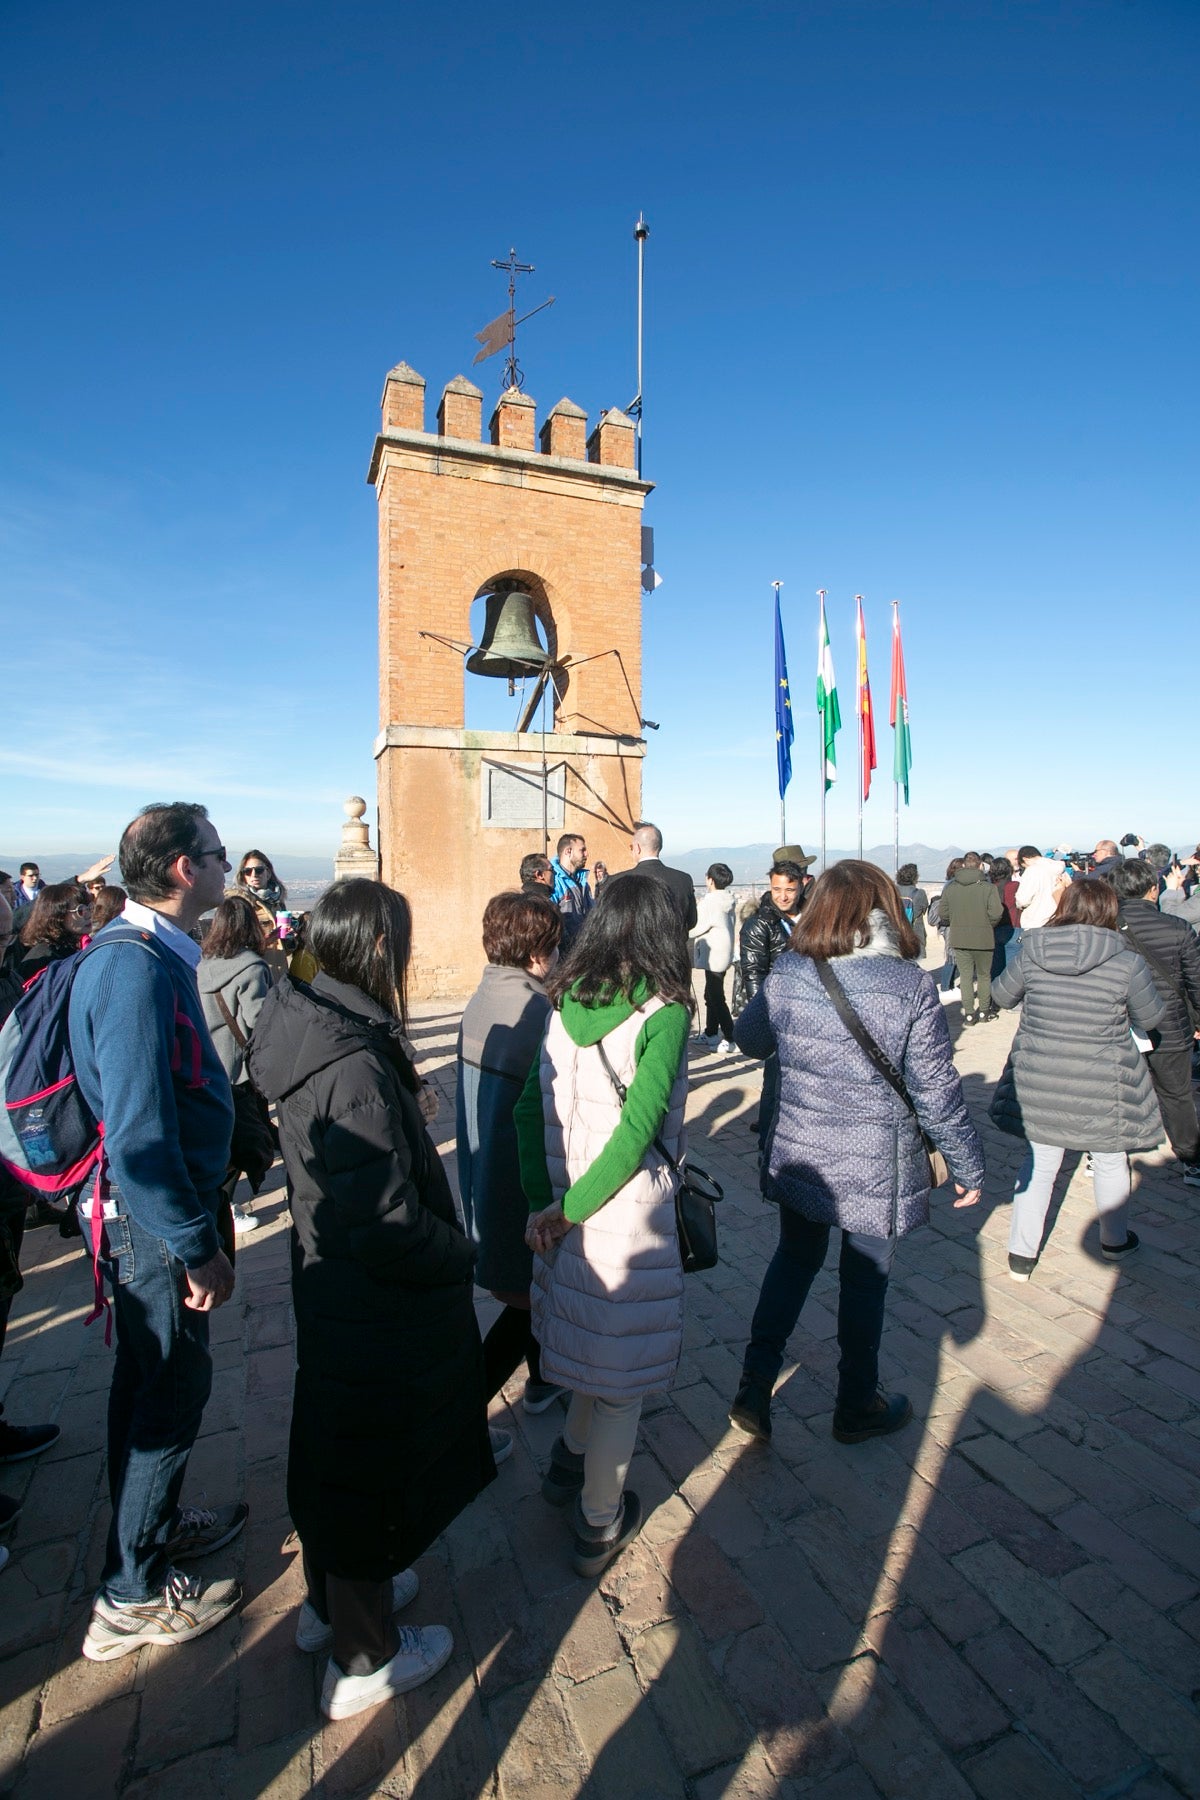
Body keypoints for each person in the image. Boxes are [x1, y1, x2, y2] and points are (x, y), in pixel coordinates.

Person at [247, 878, 492, 1720]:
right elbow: (386, 1219)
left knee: (338, 1446)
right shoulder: (347, 1062)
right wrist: (460, 1252)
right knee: (365, 1461)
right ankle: (365, 1653)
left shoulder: (316, 1015)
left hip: (336, 1280)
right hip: (369, 1290)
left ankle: (336, 1600)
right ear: (379, 949)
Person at [68, 803, 243, 1661]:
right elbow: (139, 1133)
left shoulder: (135, 957)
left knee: (145, 1386)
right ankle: (129, 1597)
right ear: (183, 870)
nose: (226, 867)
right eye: (216, 854)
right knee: (171, 1395)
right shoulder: (134, 972)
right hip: (154, 1226)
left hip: (150, 1219)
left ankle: (152, 1528)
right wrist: (193, 1241)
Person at [728, 861, 983, 1445]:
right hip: (876, 1159)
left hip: (804, 1150)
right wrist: (967, 1164)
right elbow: (936, 1090)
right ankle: (854, 1402)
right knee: (864, 1280)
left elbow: (749, 1039)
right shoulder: (910, 986)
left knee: (793, 1261)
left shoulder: (791, 971)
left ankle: (753, 1385)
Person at [516, 878, 691, 1578]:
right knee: (620, 1383)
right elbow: (637, 1133)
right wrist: (567, 1211)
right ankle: (598, 1521)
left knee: (590, 1345)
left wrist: (544, 1202)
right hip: (617, 1215)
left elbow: (529, 1108)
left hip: (561, 1211)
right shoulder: (665, 1013)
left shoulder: (564, 1000)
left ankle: (566, 1465)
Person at [990, 877, 1165, 1281]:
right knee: (1109, 1160)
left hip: (1039, 1075)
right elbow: (1151, 1017)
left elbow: (1002, 996)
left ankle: (1022, 1255)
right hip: (1106, 1079)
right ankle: (1114, 1240)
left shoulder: (1033, 951)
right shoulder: (1126, 961)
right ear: (1110, 910)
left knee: (1040, 1162)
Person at [456, 891, 566, 1420]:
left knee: (531, 1298)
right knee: (527, 1303)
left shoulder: (486, 994)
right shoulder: (536, 1012)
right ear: (538, 950)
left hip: (485, 1176)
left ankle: (544, 1381)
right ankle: (461, 1413)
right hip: (514, 1181)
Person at [1111, 860, 1200, 1188]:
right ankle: (1191, 1161)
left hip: (1120, 1025)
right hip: (1170, 1025)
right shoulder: (1178, 927)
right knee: (1176, 1094)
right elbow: (1196, 982)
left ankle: (1109, 1157)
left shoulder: (1105, 928)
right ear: (1153, 888)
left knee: (1118, 1091)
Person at [200, 895, 277, 1235]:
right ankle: (227, 1205)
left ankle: (219, 1203)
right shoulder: (251, 967)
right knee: (245, 1137)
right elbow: (258, 1020)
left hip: (208, 1065)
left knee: (223, 1137)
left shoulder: (201, 965)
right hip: (240, 1069)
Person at [740, 860, 806, 1147]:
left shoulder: (811, 917)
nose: (783, 896)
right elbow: (753, 974)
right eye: (777, 889)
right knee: (775, 1080)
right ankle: (767, 1142)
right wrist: (766, 1016)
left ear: (802, 885)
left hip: (808, 1011)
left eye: (789, 889)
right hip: (777, 1013)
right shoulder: (760, 924)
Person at [936, 852, 1003, 1025]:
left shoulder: (951, 888)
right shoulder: (989, 888)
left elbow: (943, 913)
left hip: (960, 937)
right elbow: (996, 913)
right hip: (984, 937)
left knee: (965, 976)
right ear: (981, 865)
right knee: (983, 976)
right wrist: (988, 925)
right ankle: (984, 1011)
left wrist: (956, 922)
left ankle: (969, 1014)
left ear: (964, 865)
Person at [605, 823, 698, 933]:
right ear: (660, 846)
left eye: (631, 847)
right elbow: (692, 921)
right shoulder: (684, 879)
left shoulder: (616, 881)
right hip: (674, 948)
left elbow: (611, 925)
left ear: (637, 848)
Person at [690, 862, 737, 1054]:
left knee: (716, 997)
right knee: (711, 993)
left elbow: (697, 927)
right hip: (724, 952)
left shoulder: (710, 902)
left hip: (713, 955)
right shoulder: (728, 899)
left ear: (710, 879)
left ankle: (731, 1036)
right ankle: (710, 1032)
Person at [231, 850, 289, 979]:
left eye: (259, 870)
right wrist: (263, 942)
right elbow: (233, 943)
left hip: (280, 971)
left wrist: (290, 936)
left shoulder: (278, 902)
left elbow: (286, 942)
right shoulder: (239, 903)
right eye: (248, 871)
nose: (254, 875)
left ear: (268, 873)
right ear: (243, 876)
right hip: (254, 971)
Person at [16, 882, 92, 982]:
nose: (89, 915)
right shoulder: (43, 958)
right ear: (58, 915)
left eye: (90, 908)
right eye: (80, 910)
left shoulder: (73, 948)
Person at [549, 835, 593, 945]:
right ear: (568, 851)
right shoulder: (553, 881)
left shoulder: (583, 881)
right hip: (563, 953)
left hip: (584, 950)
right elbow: (550, 921)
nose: (586, 854)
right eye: (582, 850)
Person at [1014, 844, 1062, 930]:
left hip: (1036, 922)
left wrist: (1019, 904)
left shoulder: (1032, 870)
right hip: (1058, 920)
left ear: (1025, 859)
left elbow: (1023, 899)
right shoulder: (1061, 869)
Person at [988, 856, 1021, 978]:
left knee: (996, 969)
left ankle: (994, 995)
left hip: (994, 930)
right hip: (1014, 928)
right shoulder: (1015, 886)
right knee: (1013, 971)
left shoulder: (990, 888)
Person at [895, 863, 930, 957]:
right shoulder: (919, 893)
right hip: (914, 934)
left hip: (896, 933)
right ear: (915, 877)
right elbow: (923, 909)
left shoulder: (892, 891)